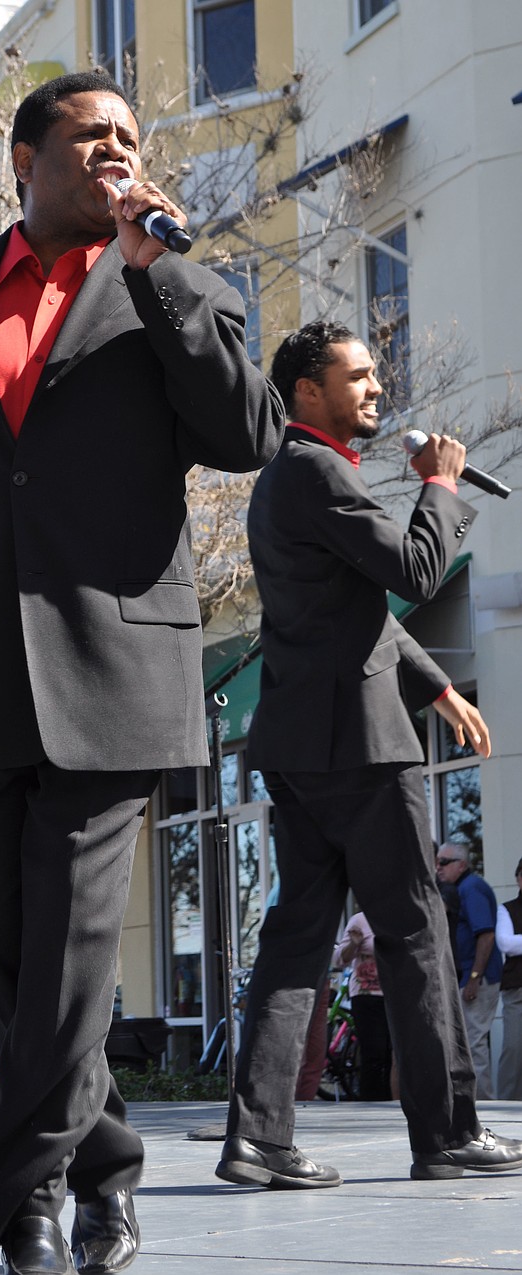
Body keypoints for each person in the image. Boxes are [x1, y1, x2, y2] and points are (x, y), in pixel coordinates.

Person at [0, 70, 284, 1275]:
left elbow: (246, 435)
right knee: (6, 961)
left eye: (130, 138)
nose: (117, 151)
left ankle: (19, 1194)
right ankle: (101, 1171)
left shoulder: (178, 288)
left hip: (115, 672)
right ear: (22, 161)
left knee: (74, 957)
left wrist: (160, 276)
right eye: (92, 135)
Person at [214, 319, 522, 1193]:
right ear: (307, 391)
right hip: (359, 746)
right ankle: (448, 1131)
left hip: (302, 745)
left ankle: (258, 1138)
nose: (377, 388)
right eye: (358, 376)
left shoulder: (288, 477)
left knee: (298, 939)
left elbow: (355, 612)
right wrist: (441, 485)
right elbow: (416, 573)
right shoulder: (318, 471)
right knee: (416, 931)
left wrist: (437, 687)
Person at [435, 842, 502, 1098]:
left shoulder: (471, 887)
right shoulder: (461, 888)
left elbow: (486, 935)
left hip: (478, 979)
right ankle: (475, 1103)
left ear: (462, 865)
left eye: (444, 862)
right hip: (469, 977)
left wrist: (474, 977)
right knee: (467, 1045)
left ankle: (484, 1105)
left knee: (473, 1044)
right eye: (437, 862)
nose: (438, 867)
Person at [333, 910, 393, 1101]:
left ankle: (391, 1102)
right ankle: (372, 1103)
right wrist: (354, 943)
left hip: (395, 995)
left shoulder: (400, 917)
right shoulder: (359, 920)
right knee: (374, 1053)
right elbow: (340, 959)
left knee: (391, 1054)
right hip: (365, 995)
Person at [495, 858, 522, 1100]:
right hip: (517, 987)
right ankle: (508, 1103)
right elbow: (506, 944)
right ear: (518, 879)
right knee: (514, 1047)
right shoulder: (506, 909)